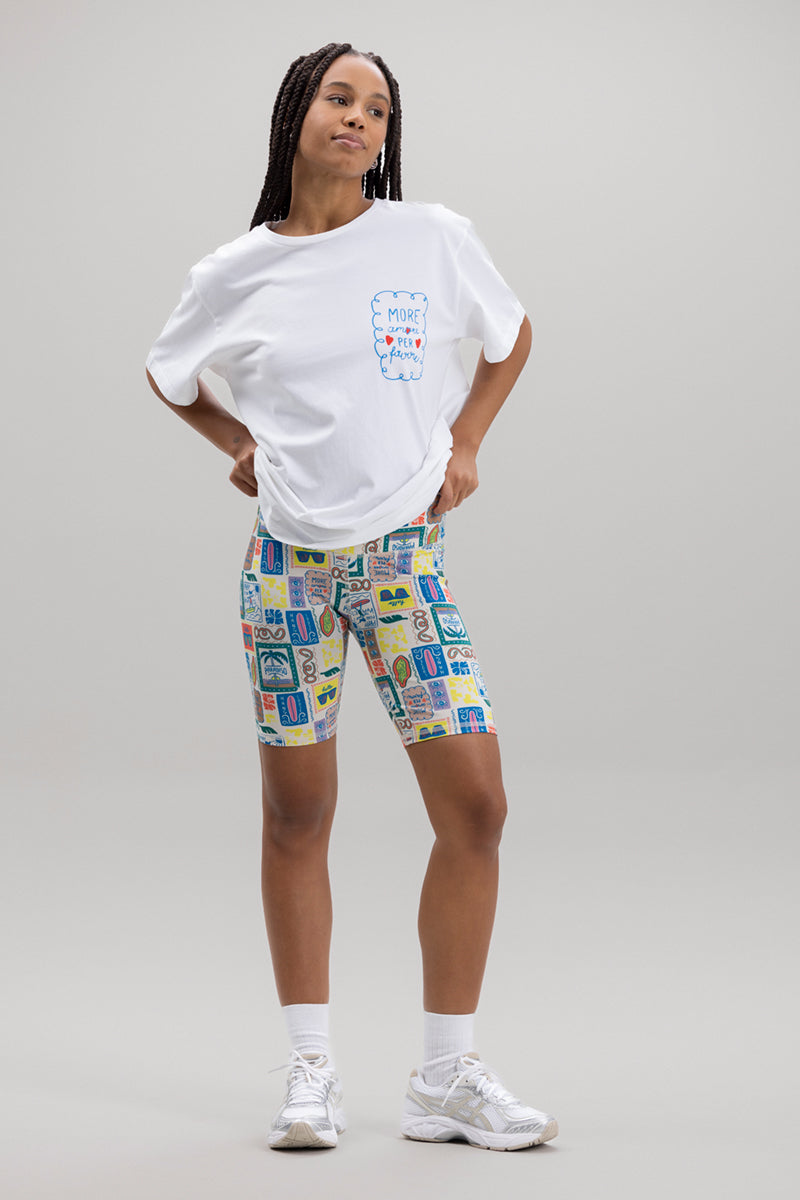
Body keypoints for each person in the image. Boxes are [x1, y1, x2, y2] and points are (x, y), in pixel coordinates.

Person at [145, 41, 558, 1153]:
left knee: (476, 807)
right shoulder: (232, 272)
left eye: (378, 109)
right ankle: (311, 1069)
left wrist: (466, 442)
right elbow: (169, 372)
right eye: (340, 97)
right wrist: (234, 440)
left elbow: (510, 337)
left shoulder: (429, 238)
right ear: (296, 112)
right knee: (297, 816)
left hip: (402, 564)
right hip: (286, 572)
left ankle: (446, 1076)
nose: (360, 119)